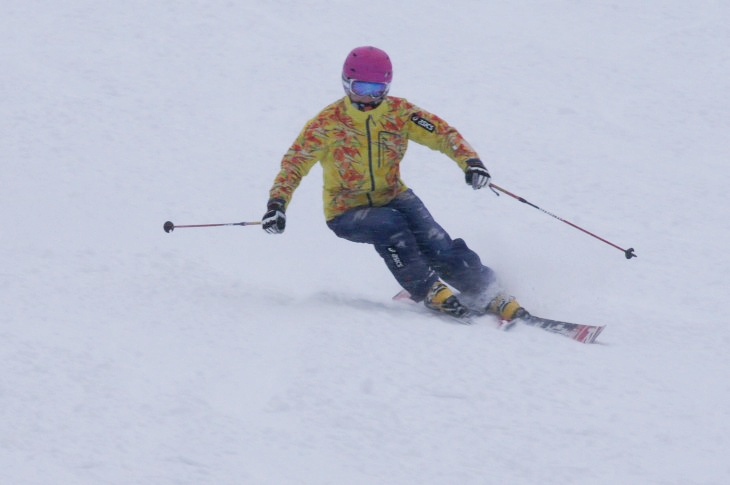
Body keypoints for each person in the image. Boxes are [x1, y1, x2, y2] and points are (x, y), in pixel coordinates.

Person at [262, 46, 523, 320]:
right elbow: (294, 164)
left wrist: (471, 163)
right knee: (392, 227)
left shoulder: (400, 113)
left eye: (377, 90)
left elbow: (443, 134)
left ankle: (486, 290)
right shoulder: (327, 124)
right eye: (360, 87)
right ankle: (427, 289)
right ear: (346, 83)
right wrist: (277, 204)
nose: (368, 97)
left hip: (393, 194)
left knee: (437, 242)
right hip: (346, 210)